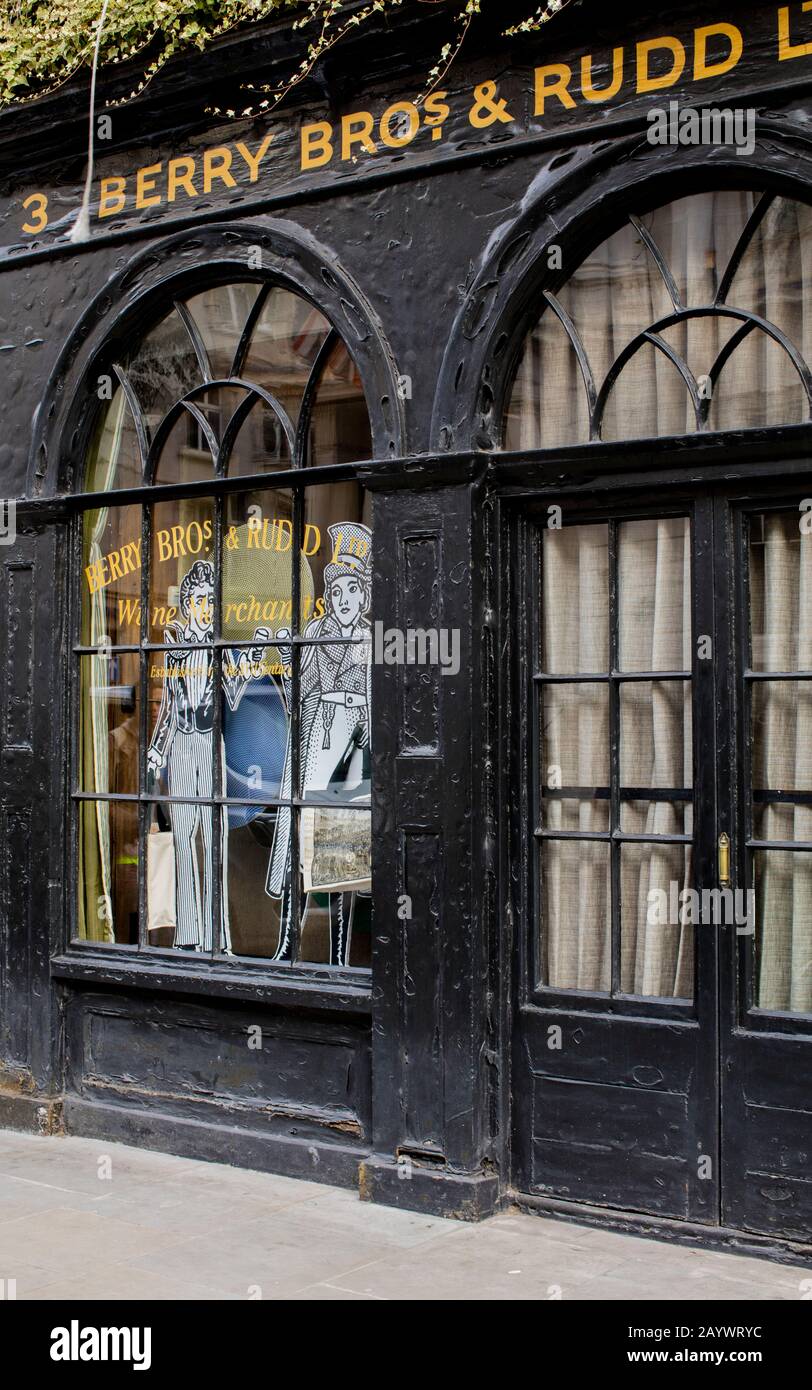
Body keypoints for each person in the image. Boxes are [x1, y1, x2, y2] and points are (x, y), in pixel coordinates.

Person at [147, 559, 267, 952]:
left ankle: (218, 937)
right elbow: (167, 704)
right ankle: (187, 936)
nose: (203, 607)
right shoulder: (176, 649)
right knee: (183, 837)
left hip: (210, 745)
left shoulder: (221, 651)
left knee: (215, 839)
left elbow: (232, 697)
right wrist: (156, 749)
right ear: (186, 603)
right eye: (197, 600)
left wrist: (249, 666)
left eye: (209, 601)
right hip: (182, 744)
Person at [266, 521, 372, 965]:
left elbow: (375, 700)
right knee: (300, 843)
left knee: (342, 850)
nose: (345, 600)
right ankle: (289, 943)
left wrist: (367, 725)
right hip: (313, 743)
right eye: (338, 590)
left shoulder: (369, 640)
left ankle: (339, 957)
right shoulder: (313, 633)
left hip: (349, 752)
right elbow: (298, 695)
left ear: (364, 595)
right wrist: (283, 667)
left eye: (353, 590)